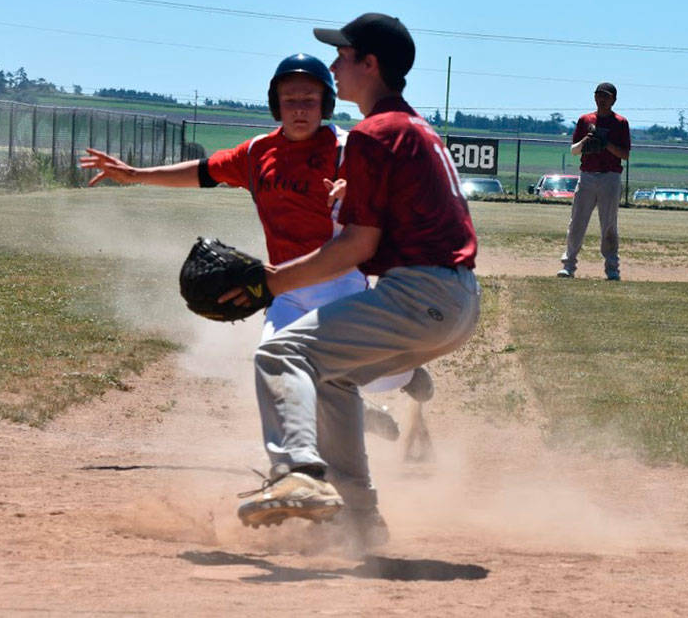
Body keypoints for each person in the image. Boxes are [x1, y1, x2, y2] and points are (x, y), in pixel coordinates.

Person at [80, 54, 430, 440]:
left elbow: (395, 188)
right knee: (277, 369)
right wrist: (133, 175)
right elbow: (202, 172)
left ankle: (407, 372)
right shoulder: (257, 153)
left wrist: (356, 188)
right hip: (285, 289)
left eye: (310, 99)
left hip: (340, 282)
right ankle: (335, 433)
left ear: (326, 104)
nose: (300, 109)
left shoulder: (348, 148)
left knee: (373, 376)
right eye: (290, 100)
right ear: (276, 105)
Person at [229, 13, 479, 548]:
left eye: (343, 55)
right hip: (454, 298)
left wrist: (270, 284)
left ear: (370, 65)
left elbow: (355, 248)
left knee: (280, 355)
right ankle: (361, 519)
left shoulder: (373, 132)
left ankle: (297, 472)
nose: (335, 65)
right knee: (329, 377)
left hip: (420, 294)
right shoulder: (411, 128)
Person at [557, 82, 630, 280]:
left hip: (610, 177)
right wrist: (586, 141)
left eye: (606, 96)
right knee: (577, 222)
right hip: (588, 175)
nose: (601, 99)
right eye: (598, 95)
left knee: (609, 225)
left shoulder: (621, 122)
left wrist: (606, 144)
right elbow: (574, 150)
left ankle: (612, 268)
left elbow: (625, 154)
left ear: (614, 99)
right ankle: (569, 265)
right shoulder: (585, 120)